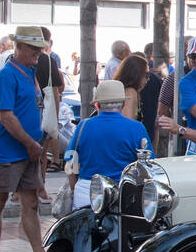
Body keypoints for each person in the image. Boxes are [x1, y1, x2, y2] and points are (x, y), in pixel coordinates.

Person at [0, 25, 51, 252]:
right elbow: (6, 117)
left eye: (40, 49)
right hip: (8, 151)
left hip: (26, 151)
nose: (39, 54)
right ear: (19, 47)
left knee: (30, 202)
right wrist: (29, 143)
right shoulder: (6, 75)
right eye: (34, 49)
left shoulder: (28, 71)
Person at [64, 80, 153, 209]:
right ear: (123, 103)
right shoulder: (136, 128)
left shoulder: (83, 126)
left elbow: (70, 165)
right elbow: (149, 166)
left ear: (97, 105)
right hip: (122, 193)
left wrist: (74, 190)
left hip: (86, 192)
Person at [35, 25, 65, 201]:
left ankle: (19, 192)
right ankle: (41, 188)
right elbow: (56, 89)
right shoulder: (48, 60)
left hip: (24, 110)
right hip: (43, 110)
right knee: (42, 152)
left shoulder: (12, 59)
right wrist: (56, 111)